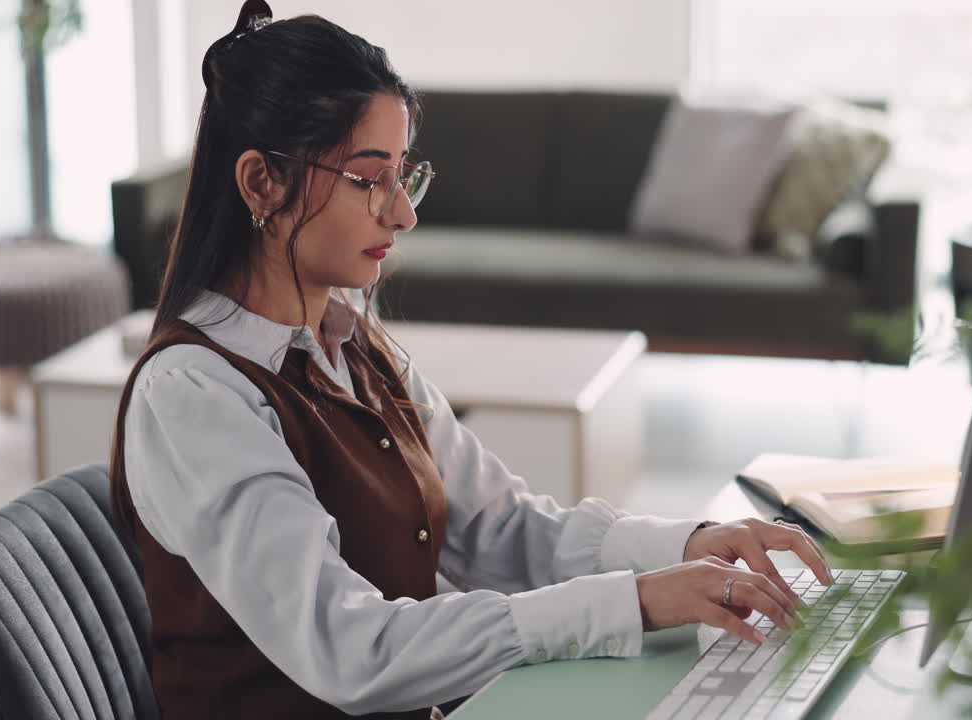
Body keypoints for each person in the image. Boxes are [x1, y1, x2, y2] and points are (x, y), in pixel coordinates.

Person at [107, 3, 833, 718]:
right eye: (369, 180)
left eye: (404, 176)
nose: (403, 214)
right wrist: (634, 602)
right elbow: (349, 649)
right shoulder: (193, 395)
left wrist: (691, 545)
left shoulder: (351, 343)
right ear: (262, 183)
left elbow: (502, 527)